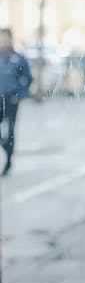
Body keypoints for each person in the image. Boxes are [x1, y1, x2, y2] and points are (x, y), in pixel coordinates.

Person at [0, 28, 33, 176]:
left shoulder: (19, 58)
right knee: (3, 135)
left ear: (10, 39)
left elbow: (28, 79)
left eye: (5, 38)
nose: (3, 41)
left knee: (10, 131)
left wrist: (19, 95)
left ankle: (8, 161)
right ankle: (6, 147)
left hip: (12, 100)